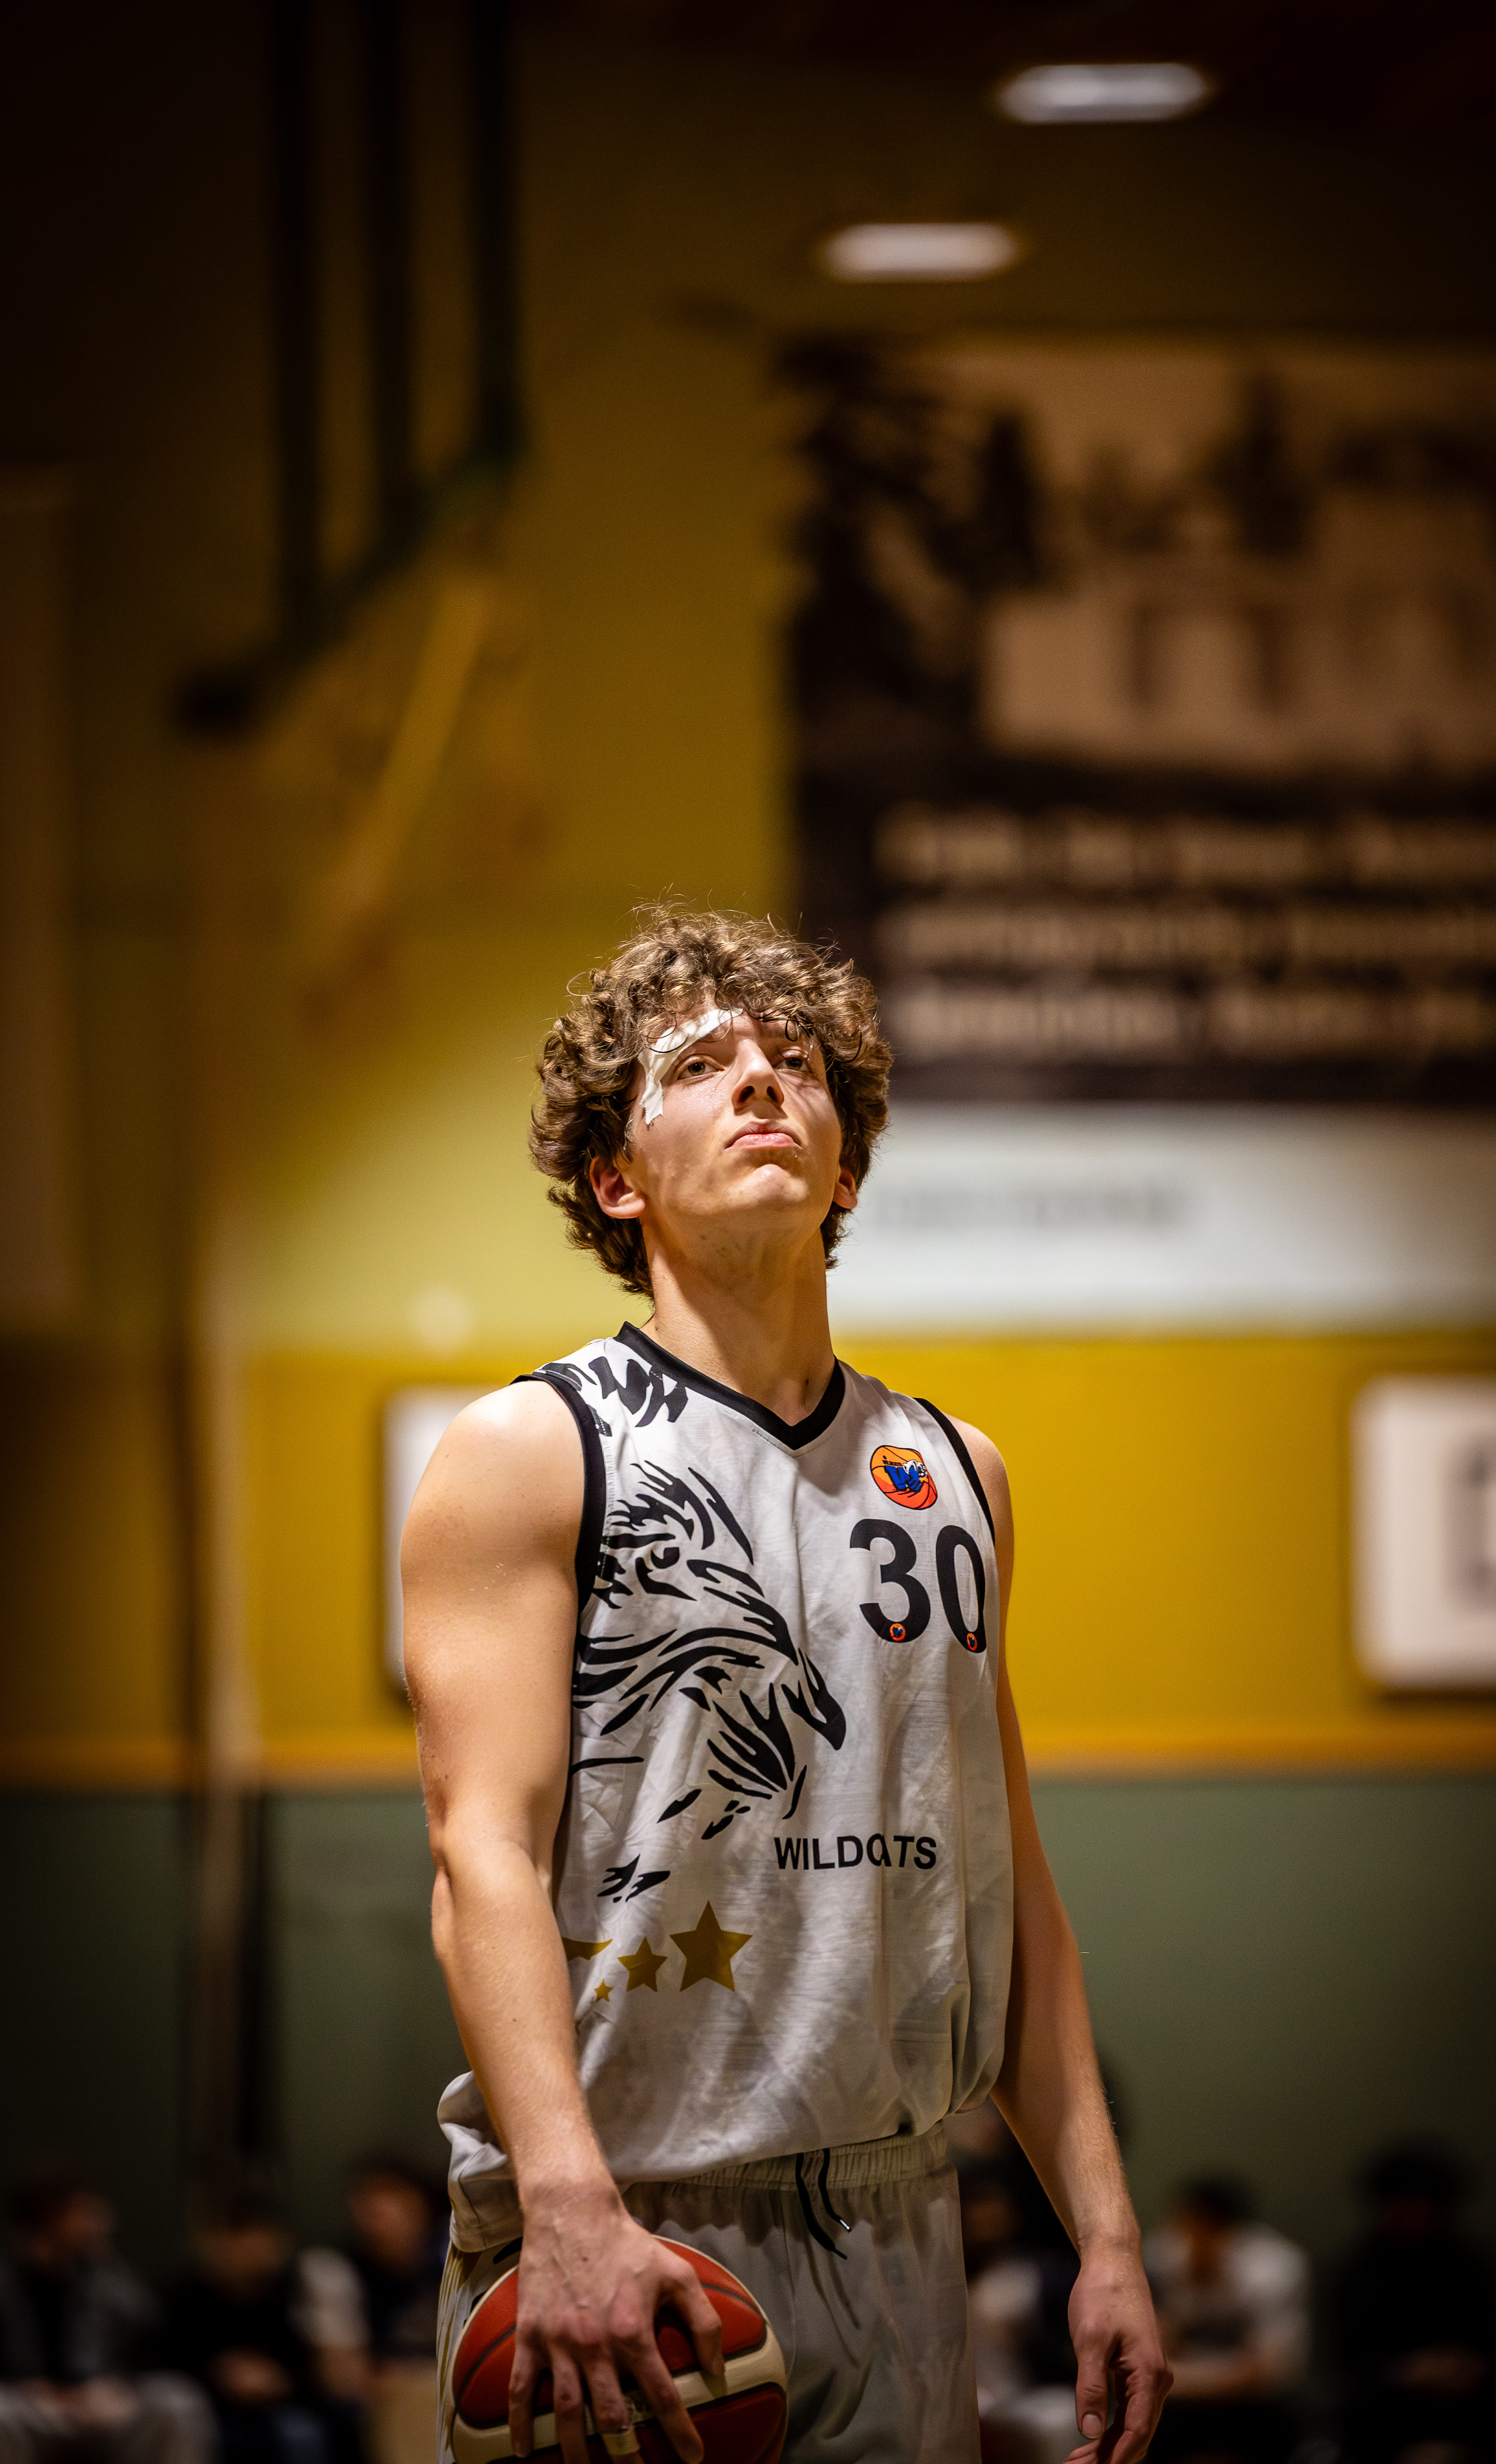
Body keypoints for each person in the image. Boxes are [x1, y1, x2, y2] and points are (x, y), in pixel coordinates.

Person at [404, 909, 1169, 2464]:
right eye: (700, 1065)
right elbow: (477, 1853)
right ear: (616, 1179)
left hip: (900, 2225)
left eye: (796, 1063)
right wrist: (564, 2200)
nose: (762, 1079)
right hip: (625, 2216)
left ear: (848, 1167)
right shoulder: (528, 1452)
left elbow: (1005, 1882)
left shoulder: (957, 1472)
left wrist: (1103, 2235)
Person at [1334, 2139, 1496, 2464]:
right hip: (1389, 2402)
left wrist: (1465, 2367)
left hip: (1469, 2399)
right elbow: (1349, 2355)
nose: (1413, 2214)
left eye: (1422, 2203)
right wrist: (1408, 2371)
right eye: (1403, 2203)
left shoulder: (1471, 2265)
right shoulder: (1360, 2269)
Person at [0, 2173, 214, 2464]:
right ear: (47, 2218)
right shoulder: (8, 2280)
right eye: (86, 2214)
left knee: (178, 2400)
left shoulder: (104, 2276)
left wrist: (119, 2387)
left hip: (101, 2403)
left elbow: (153, 2341)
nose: (101, 2224)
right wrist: (32, 2388)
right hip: (30, 2408)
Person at [161, 2196, 364, 2464]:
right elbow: (166, 2362)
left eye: (257, 2238)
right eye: (234, 2237)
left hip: (291, 2405)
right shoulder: (189, 2296)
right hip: (213, 2408)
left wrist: (281, 2382)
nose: (245, 2251)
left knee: (300, 2433)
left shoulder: (300, 2288)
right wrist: (221, 2375)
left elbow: (330, 2374)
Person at [1143, 2177, 1307, 2464]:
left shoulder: (1273, 2269)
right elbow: (1156, 2345)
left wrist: (1174, 2379)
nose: (1182, 2238)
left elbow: (1268, 2372)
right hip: (1178, 2407)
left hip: (1255, 2408)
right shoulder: (1164, 2254)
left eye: (1195, 2227)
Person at [339, 2161, 445, 2464]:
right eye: (366, 2197)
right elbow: (341, 2376)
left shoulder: (452, 2262)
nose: (377, 2208)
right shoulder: (339, 2272)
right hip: (384, 2405)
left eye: (392, 2195)